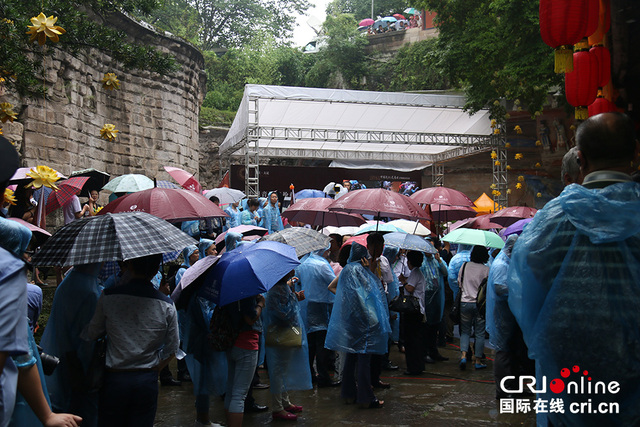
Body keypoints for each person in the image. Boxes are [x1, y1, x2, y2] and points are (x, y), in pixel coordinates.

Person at [508, 112, 640, 427]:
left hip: (569, 386)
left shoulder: (549, 222)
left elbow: (530, 306)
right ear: (636, 152)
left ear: (579, 158)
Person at [83, 254, 179, 427]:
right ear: (156, 270)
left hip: (115, 378)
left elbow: (91, 333)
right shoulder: (166, 304)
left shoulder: (109, 296)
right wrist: (156, 368)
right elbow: (173, 347)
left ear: (130, 266)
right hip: (146, 379)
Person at [325, 242, 391, 409]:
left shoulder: (347, 269)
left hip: (350, 321)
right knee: (363, 359)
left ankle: (348, 394)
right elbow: (366, 296)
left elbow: (336, 288)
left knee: (351, 357)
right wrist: (375, 319)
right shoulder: (360, 271)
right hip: (364, 321)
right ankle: (366, 397)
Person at [40, 263, 103, 427]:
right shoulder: (89, 290)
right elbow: (87, 339)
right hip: (78, 368)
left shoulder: (70, 280)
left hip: (60, 359)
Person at [486, 235, 534, 399]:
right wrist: (518, 292)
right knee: (503, 353)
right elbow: (500, 288)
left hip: (509, 315)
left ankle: (513, 387)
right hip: (502, 315)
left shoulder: (509, 262)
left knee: (512, 353)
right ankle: (503, 391)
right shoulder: (501, 264)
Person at [264, 271, 311, 421]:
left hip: (287, 333)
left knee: (283, 369)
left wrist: (294, 297)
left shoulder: (283, 286)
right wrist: (294, 300)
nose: (293, 271)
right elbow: (282, 314)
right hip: (280, 335)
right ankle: (278, 408)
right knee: (278, 371)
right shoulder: (275, 290)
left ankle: (285, 402)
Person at [294, 250, 337, 387]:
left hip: (306, 306)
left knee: (310, 343)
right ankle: (324, 376)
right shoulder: (322, 265)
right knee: (321, 344)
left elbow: (297, 284)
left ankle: (310, 375)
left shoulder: (301, 264)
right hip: (321, 307)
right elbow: (333, 283)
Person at [224, 294, 265, 427]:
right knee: (239, 394)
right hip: (246, 344)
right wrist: (260, 304)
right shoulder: (245, 292)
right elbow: (250, 319)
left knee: (231, 389)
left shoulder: (229, 291)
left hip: (231, 341)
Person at [457, 245, 489, 371]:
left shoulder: (464, 266)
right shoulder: (486, 269)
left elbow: (459, 283)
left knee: (465, 331)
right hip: (479, 305)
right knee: (479, 333)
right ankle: (478, 360)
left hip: (464, 302)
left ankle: (464, 356)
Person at [398, 251, 427, 375]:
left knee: (412, 340)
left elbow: (410, 288)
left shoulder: (415, 273)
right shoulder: (418, 273)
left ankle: (413, 367)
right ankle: (418, 365)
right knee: (416, 339)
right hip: (419, 310)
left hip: (414, 310)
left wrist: (403, 281)